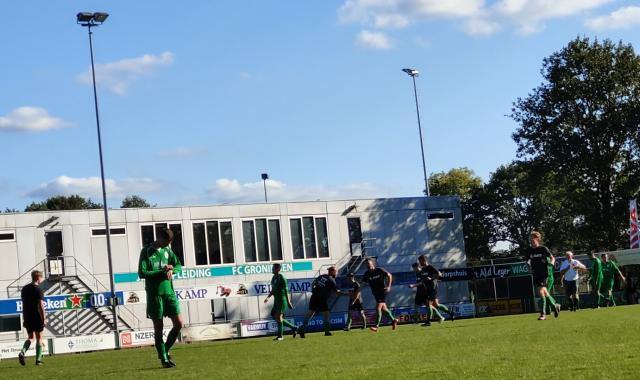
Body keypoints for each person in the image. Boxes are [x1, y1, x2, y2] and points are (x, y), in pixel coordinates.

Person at [138, 228, 183, 368]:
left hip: (169, 293)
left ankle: (165, 350)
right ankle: (164, 360)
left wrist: (172, 269)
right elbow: (142, 273)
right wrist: (161, 271)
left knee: (179, 323)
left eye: (170, 242)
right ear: (159, 238)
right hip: (154, 295)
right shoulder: (146, 252)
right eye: (166, 242)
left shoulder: (167, 251)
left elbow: (178, 265)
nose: (168, 245)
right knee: (159, 328)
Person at [409, 255, 454, 326]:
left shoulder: (430, 267)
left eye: (420, 261)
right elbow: (423, 281)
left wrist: (431, 279)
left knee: (428, 304)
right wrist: (415, 285)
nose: (419, 263)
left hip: (432, 288)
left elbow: (439, 274)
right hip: (428, 289)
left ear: (424, 260)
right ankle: (450, 313)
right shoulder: (423, 269)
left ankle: (428, 322)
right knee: (436, 305)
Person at [525, 231, 560, 320]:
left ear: (538, 239)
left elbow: (552, 257)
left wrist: (552, 263)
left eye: (533, 237)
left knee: (540, 291)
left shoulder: (543, 249)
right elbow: (527, 262)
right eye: (530, 238)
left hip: (544, 273)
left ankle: (543, 314)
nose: (531, 239)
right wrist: (529, 268)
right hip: (535, 273)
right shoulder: (529, 250)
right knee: (544, 291)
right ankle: (554, 305)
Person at [299, 266, 342, 337]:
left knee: (311, 313)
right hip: (322, 299)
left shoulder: (322, 276)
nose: (336, 273)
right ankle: (327, 331)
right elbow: (336, 292)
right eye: (335, 271)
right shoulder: (332, 280)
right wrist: (346, 294)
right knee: (326, 314)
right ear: (332, 272)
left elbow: (313, 283)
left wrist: (313, 290)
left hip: (314, 296)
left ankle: (302, 329)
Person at [361, 259, 398, 332]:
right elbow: (362, 283)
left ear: (372, 264)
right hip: (375, 293)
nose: (367, 265)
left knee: (378, 308)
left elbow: (389, 275)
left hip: (383, 291)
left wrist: (389, 286)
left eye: (368, 263)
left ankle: (376, 326)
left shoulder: (379, 270)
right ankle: (394, 320)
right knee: (384, 309)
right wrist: (357, 288)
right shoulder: (367, 274)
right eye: (366, 264)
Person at [18, 270, 46, 366]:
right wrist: (44, 318)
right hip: (37, 316)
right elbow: (41, 306)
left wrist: (24, 318)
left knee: (31, 337)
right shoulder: (38, 289)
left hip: (27, 316)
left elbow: (23, 304)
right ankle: (38, 360)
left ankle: (22, 352)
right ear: (38, 278)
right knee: (39, 337)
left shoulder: (24, 289)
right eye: (41, 278)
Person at [264, 263, 298, 341]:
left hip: (282, 300)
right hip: (276, 300)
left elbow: (286, 291)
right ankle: (294, 327)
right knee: (274, 315)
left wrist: (289, 302)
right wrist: (268, 297)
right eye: (272, 268)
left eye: (273, 268)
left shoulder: (282, 278)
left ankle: (280, 336)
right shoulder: (273, 277)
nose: (272, 269)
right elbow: (273, 290)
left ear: (278, 269)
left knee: (279, 317)